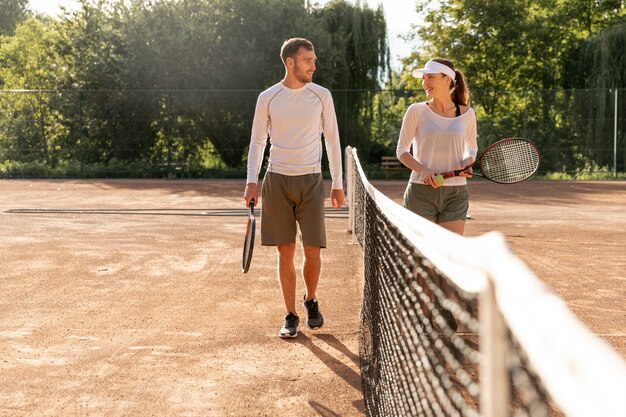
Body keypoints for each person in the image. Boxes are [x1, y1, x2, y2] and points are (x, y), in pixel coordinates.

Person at [243, 38, 345, 339]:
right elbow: (258, 142)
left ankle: (311, 299)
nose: (313, 65)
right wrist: (251, 180)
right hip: (276, 181)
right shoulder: (268, 98)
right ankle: (291, 315)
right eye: (307, 60)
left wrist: (337, 183)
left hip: (312, 181)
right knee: (285, 250)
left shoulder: (321, 95)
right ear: (290, 62)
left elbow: (332, 139)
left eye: (313, 60)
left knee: (312, 250)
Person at [396, 58, 478, 331]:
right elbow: (403, 151)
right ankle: (422, 311)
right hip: (421, 193)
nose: (425, 83)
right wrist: (423, 169)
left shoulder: (466, 113)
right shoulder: (417, 111)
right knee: (424, 257)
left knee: (448, 256)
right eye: (424, 78)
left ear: (447, 79)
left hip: (455, 194)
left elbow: (471, 149)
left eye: (430, 77)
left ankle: (442, 306)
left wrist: (467, 163)